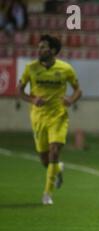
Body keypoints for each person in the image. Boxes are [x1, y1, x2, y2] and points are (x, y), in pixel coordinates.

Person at [18, 34, 82, 205]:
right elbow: (20, 90)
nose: (39, 50)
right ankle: (58, 168)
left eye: (43, 47)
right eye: (38, 47)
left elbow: (78, 90)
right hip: (38, 118)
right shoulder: (30, 68)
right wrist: (32, 100)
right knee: (45, 159)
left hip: (58, 116)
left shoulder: (65, 69)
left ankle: (47, 194)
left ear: (53, 50)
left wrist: (71, 99)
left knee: (55, 151)